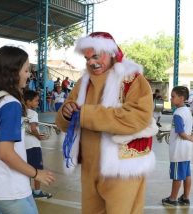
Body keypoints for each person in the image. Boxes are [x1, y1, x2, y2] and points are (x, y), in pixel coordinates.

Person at [55, 32, 157, 214]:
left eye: (95, 56)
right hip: (89, 167)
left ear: (110, 52)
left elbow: (137, 117)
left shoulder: (132, 79)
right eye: (87, 58)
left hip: (122, 167)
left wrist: (86, 114)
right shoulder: (82, 83)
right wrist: (66, 113)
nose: (91, 63)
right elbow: (63, 121)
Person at [0, 46, 55, 214]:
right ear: (13, 72)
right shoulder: (10, 103)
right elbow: (6, 153)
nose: (29, 75)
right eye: (26, 70)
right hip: (9, 190)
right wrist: (36, 173)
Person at [162, 86, 193, 206]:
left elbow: (181, 133)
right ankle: (185, 197)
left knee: (177, 175)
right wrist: (191, 137)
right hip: (186, 150)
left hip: (178, 150)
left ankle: (173, 199)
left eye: (173, 96)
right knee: (187, 174)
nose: (171, 99)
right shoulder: (187, 111)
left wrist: (189, 138)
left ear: (181, 98)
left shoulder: (178, 113)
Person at [24, 90, 53, 199]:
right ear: (28, 101)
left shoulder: (21, 113)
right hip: (33, 146)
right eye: (36, 101)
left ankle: (27, 191)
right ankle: (37, 192)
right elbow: (32, 128)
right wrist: (39, 136)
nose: (38, 103)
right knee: (37, 169)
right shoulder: (33, 113)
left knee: (26, 169)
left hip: (23, 146)